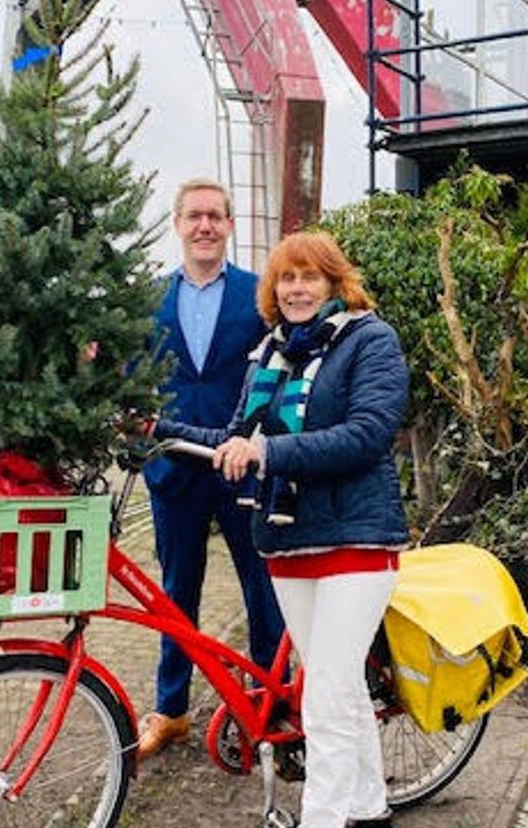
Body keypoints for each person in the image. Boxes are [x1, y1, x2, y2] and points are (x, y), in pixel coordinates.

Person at [156, 230, 410, 828]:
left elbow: (367, 433)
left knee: (323, 689)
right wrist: (155, 429)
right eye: (286, 279)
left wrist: (267, 453)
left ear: (333, 282)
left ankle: (321, 818)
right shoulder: (271, 352)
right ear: (273, 289)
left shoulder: (369, 339)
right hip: (290, 541)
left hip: (356, 539)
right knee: (339, 686)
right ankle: (370, 809)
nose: (297, 289)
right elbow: (237, 434)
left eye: (309, 277)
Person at [139, 177, 286, 759]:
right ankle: (171, 708)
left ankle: (265, 702)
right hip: (174, 467)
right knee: (177, 593)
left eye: (215, 217)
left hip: (240, 465)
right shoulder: (148, 298)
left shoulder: (258, 295)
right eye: (194, 215)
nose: (204, 226)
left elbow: (280, 367)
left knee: (261, 587)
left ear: (229, 226)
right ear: (177, 225)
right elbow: (132, 374)